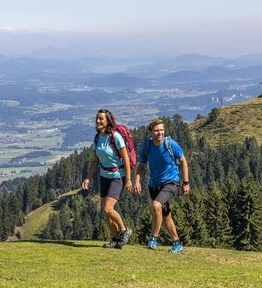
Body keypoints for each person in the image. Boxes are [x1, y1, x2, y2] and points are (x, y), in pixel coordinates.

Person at [134, 118, 190, 254]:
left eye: (161, 130)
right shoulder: (147, 147)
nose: (160, 133)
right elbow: (141, 166)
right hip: (154, 184)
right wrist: (137, 181)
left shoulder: (170, 144)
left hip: (171, 182)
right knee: (165, 216)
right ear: (151, 132)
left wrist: (186, 182)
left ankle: (153, 238)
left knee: (156, 206)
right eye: (156, 130)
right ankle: (177, 243)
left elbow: (183, 161)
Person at [81, 108, 133, 248]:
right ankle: (115, 239)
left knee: (108, 208)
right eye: (97, 118)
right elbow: (95, 161)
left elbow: (126, 159)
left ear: (107, 121)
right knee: (106, 212)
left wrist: (128, 179)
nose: (98, 121)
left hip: (117, 177)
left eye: (101, 119)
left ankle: (124, 230)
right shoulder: (98, 138)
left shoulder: (115, 137)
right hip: (104, 176)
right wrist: (88, 178)